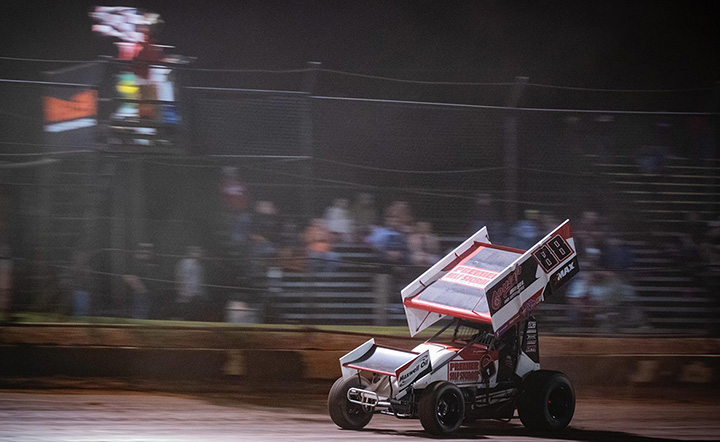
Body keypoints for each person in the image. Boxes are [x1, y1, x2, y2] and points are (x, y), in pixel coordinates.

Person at [123, 243, 160, 319]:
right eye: (144, 251)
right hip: (140, 293)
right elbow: (127, 277)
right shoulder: (135, 263)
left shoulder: (151, 263)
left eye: (149, 251)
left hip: (150, 293)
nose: (148, 253)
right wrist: (141, 289)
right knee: (140, 314)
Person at [175, 246, 205, 320]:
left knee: (194, 315)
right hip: (187, 295)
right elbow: (180, 278)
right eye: (197, 252)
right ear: (192, 253)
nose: (200, 254)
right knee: (186, 315)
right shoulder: (185, 263)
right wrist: (184, 292)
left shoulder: (197, 264)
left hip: (195, 294)